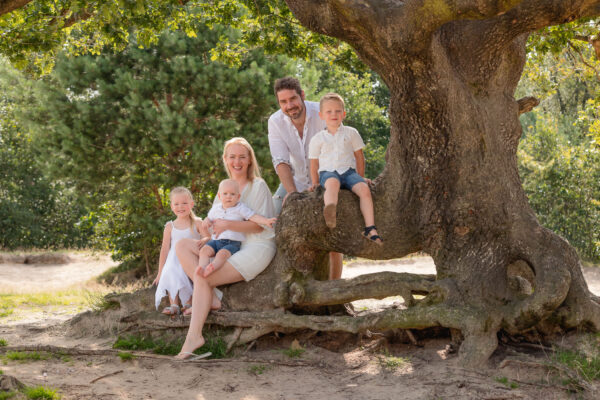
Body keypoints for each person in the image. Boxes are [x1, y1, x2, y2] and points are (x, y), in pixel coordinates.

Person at [174, 137, 276, 360]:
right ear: (225, 160)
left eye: (242, 156)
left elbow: (259, 227)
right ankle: (210, 298)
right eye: (232, 157)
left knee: (203, 277)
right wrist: (206, 236)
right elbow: (213, 222)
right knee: (182, 245)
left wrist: (228, 224)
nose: (236, 161)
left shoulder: (257, 185)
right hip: (225, 243)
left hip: (255, 246)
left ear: (249, 160)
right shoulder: (224, 188)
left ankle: (194, 336)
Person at [268, 76, 344, 279]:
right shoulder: (275, 122)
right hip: (296, 181)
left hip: (328, 178)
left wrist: (320, 188)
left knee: (333, 236)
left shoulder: (322, 113)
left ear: (302, 95)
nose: (289, 105)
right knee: (272, 223)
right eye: (283, 102)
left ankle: (334, 291)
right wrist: (293, 195)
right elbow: (280, 161)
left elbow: (337, 152)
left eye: (293, 99)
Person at [309, 93, 382, 243]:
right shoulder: (317, 139)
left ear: (344, 113)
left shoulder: (351, 133)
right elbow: (314, 163)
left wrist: (360, 177)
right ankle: (330, 209)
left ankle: (370, 228)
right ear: (321, 115)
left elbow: (359, 157)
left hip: (348, 172)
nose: (333, 114)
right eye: (329, 111)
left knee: (364, 190)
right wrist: (315, 182)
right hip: (328, 172)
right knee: (332, 183)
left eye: (337, 111)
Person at [200, 179, 276, 277]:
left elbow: (253, 216)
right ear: (219, 196)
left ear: (238, 197)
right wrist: (206, 221)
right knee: (204, 251)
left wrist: (266, 221)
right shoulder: (216, 208)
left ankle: (212, 267)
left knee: (222, 255)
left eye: (232, 194)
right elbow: (208, 218)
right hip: (215, 241)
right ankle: (202, 268)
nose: (228, 197)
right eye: (225, 194)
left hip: (231, 243)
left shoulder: (240, 208)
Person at [153, 187, 208, 316]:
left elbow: (209, 238)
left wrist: (205, 240)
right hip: (174, 261)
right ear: (172, 206)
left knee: (180, 265)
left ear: (191, 204)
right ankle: (174, 304)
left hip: (192, 258)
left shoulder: (197, 223)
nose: (180, 206)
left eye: (184, 203)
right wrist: (160, 272)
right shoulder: (169, 227)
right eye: (176, 204)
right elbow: (165, 249)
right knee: (171, 264)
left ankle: (188, 302)